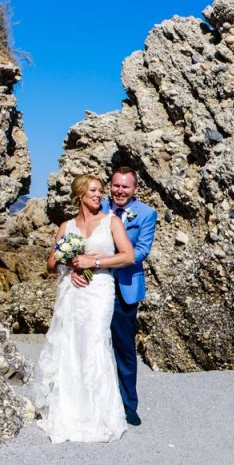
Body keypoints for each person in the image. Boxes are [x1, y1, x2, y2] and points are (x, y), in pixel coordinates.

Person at [33, 174, 135, 443]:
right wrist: (69, 265)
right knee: (70, 344)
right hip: (72, 291)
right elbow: (51, 264)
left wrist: (95, 262)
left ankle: (98, 415)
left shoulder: (111, 222)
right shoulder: (67, 226)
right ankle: (69, 412)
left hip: (99, 291)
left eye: (101, 191)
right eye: (93, 190)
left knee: (94, 342)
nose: (99, 195)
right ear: (79, 194)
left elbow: (128, 256)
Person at [73, 166, 157, 426]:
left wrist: (97, 261)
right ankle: (93, 402)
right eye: (116, 186)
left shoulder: (145, 214)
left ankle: (128, 405)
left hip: (124, 288)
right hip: (94, 287)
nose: (120, 191)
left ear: (135, 189)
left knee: (124, 348)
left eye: (126, 186)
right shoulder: (99, 205)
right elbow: (81, 238)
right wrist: (76, 268)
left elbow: (140, 251)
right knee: (93, 343)